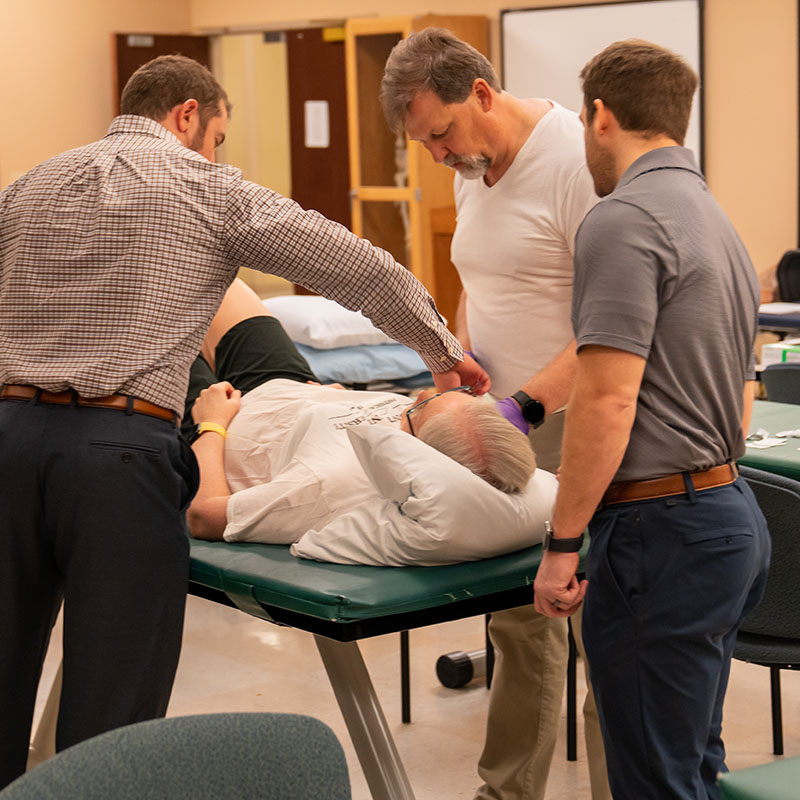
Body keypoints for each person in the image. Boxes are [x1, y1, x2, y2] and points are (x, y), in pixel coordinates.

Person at [0, 54, 489, 789]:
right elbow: (356, 267)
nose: (215, 150)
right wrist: (442, 351)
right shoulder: (205, 187)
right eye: (217, 134)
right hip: (119, 456)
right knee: (110, 719)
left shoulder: (32, 184)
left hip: (9, 440)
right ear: (187, 114)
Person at [533, 40, 771, 800]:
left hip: (660, 536)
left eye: (581, 120)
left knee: (657, 783)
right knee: (693, 764)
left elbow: (606, 400)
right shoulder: (717, 222)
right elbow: (741, 391)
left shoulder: (623, 219)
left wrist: (562, 543)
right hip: (728, 517)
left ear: (601, 116)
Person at [380, 28, 610, 800]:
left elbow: (611, 323)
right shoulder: (469, 166)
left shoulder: (575, 159)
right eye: (424, 145)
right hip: (501, 423)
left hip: (572, 419)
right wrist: (455, 359)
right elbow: (478, 281)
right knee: (519, 623)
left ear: (481, 92)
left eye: (440, 134)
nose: (438, 156)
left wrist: (528, 401)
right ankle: (508, 791)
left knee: (597, 626)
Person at [184, 279, 536, 543]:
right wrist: (340, 400)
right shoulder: (445, 437)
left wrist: (211, 425)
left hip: (225, 418)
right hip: (295, 389)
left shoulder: (324, 486)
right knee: (216, 278)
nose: (415, 397)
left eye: (421, 407)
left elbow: (204, 517)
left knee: (149, 312)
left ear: (419, 450)